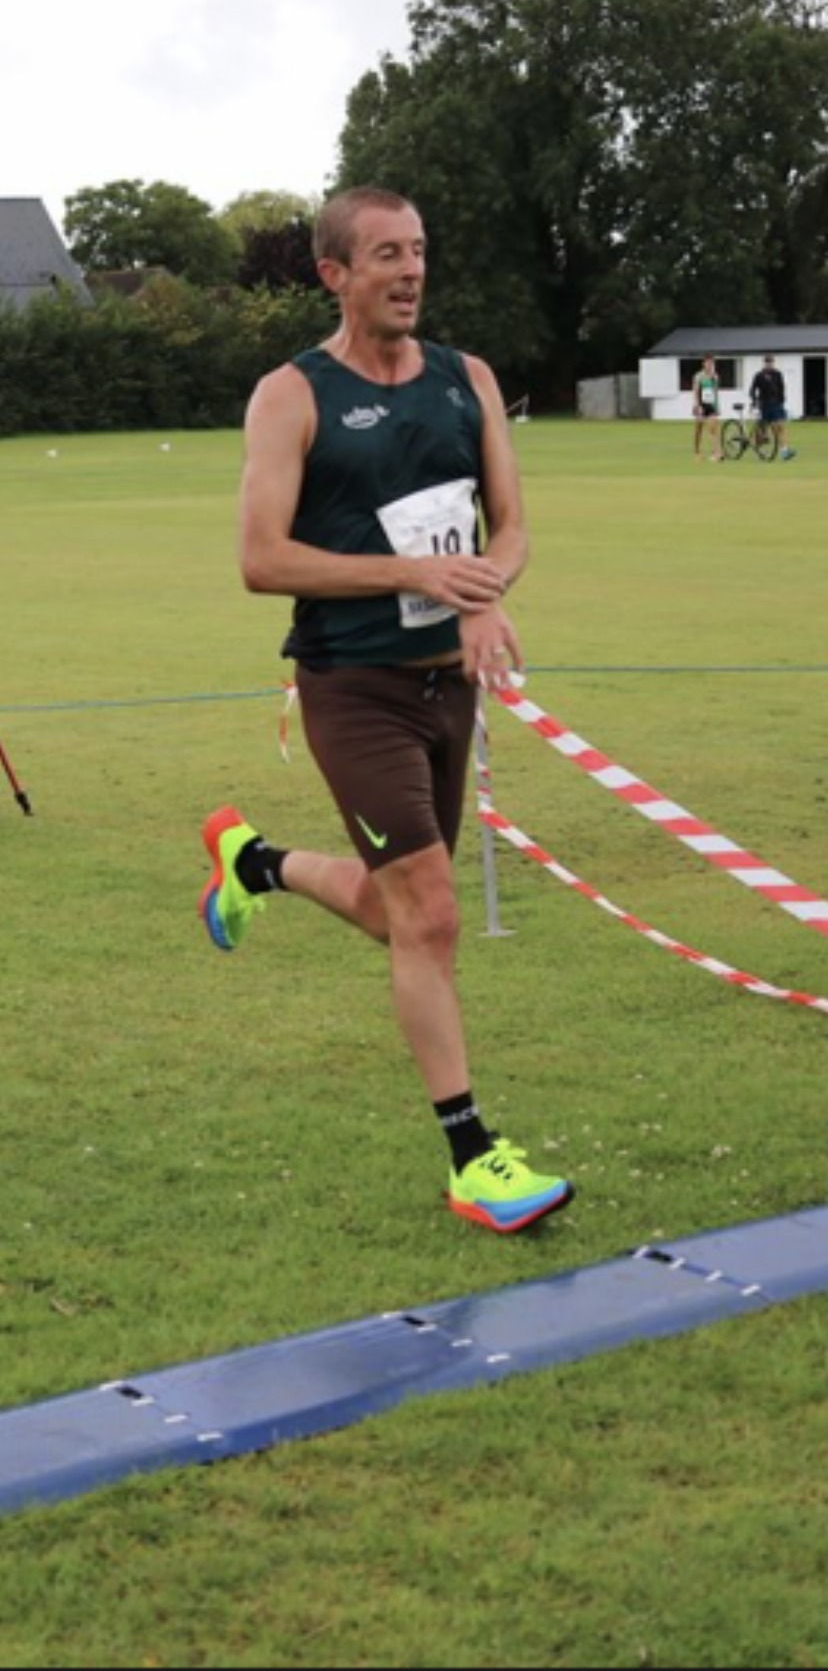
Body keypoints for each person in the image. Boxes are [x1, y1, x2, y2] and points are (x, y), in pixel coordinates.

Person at [198, 185, 574, 1235]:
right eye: (386, 256)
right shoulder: (292, 394)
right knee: (433, 913)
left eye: (419, 251)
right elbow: (261, 558)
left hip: (449, 688)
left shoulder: (468, 378)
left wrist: (484, 593)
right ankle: (473, 1157)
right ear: (335, 274)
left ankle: (256, 864)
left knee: (398, 909)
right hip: (352, 686)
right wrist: (412, 572)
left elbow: (510, 527)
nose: (411, 272)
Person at [749, 354, 797, 461]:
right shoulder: (759, 375)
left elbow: (781, 388)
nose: (769, 364)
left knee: (780, 426)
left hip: (776, 404)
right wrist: (754, 400)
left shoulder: (778, 374)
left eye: (771, 362)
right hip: (764, 404)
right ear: (764, 363)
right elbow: (752, 389)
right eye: (767, 362)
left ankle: (784, 451)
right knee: (763, 430)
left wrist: (782, 400)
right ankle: (759, 446)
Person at [691, 353, 722, 461]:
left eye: (711, 363)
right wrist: (697, 405)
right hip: (701, 405)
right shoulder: (698, 376)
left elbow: (715, 393)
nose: (709, 365)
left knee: (713, 428)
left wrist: (717, 407)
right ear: (703, 363)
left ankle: (716, 453)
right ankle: (697, 452)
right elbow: (695, 392)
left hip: (711, 406)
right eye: (708, 363)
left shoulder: (715, 377)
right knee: (698, 430)